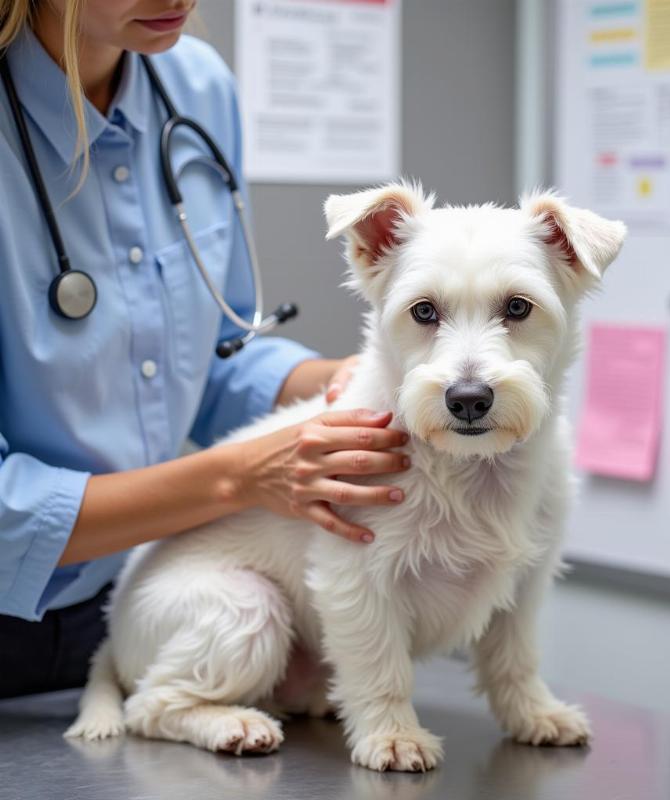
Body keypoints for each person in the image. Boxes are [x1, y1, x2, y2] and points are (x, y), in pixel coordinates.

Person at [0, 0, 409, 698]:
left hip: (140, 607)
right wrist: (239, 478)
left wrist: (353, 380)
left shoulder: (196, 86)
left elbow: (218, 353)